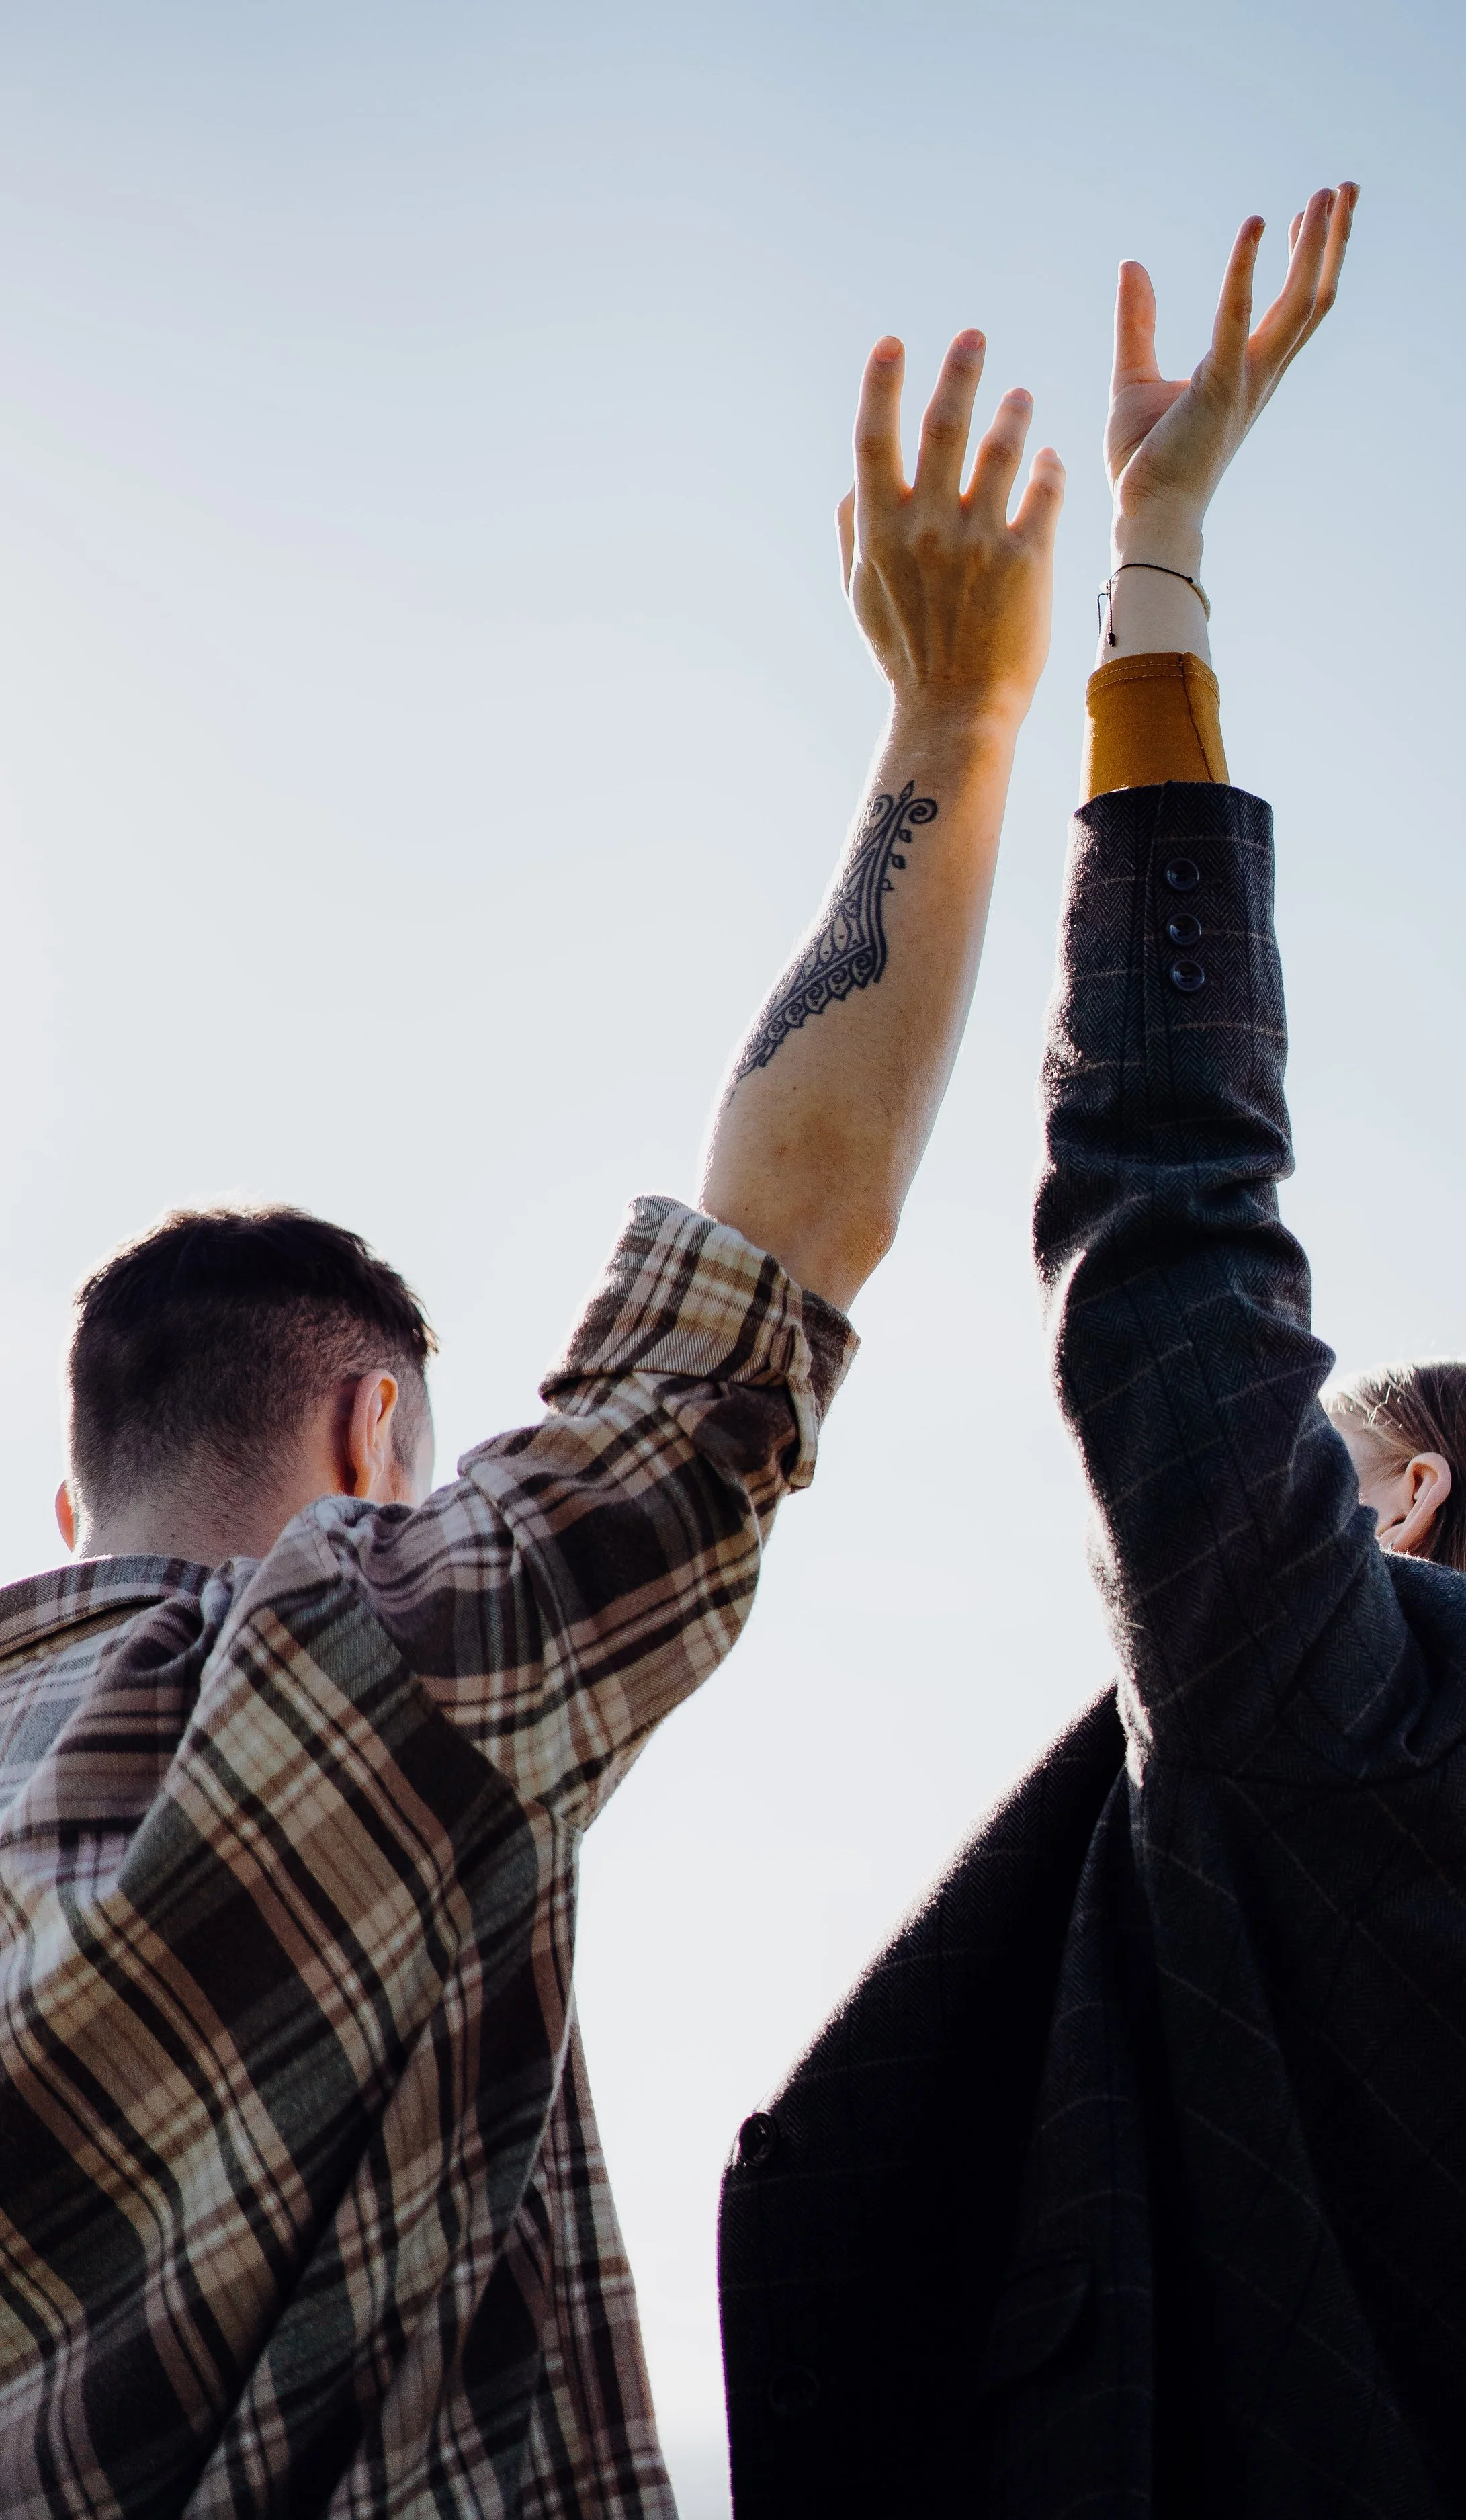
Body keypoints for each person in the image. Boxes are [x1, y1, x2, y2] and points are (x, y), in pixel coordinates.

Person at [0, 331, 1063, 2518]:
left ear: (66, 1499)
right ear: (378, 1431)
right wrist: (953, 713)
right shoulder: (361, 1668)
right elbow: (774, 1254)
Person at [719, 186, 1466, 2519]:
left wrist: (1151, 570)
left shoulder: (1399, 1725)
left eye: (1336, 1458)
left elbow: (1171, 1238)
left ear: (1419, 1511)